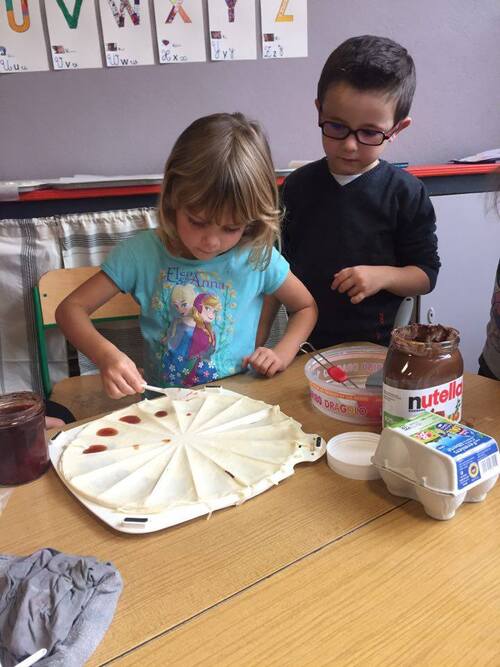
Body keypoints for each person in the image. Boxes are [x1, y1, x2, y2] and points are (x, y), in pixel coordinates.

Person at [55, 113, 317, 399]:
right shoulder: (141, 253)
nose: (211, 241)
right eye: (197, 221)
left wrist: (282, 352)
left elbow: (305, 307)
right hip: (165, 407)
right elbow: (71, 310)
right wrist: (107, 356)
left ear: (252, 221)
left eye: (231, 227)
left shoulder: (257, 255)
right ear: (172, 200)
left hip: (238, 404)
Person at [281, 35, 440, 348]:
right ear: (319, 112)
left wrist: (382, 276)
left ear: (396, 129)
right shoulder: (297, 186)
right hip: (304, 345)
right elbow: (276, 269)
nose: (350, 144)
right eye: (337, 126)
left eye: (369, 132)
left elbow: (426, 274)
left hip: (376, 347)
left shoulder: (405, 193)